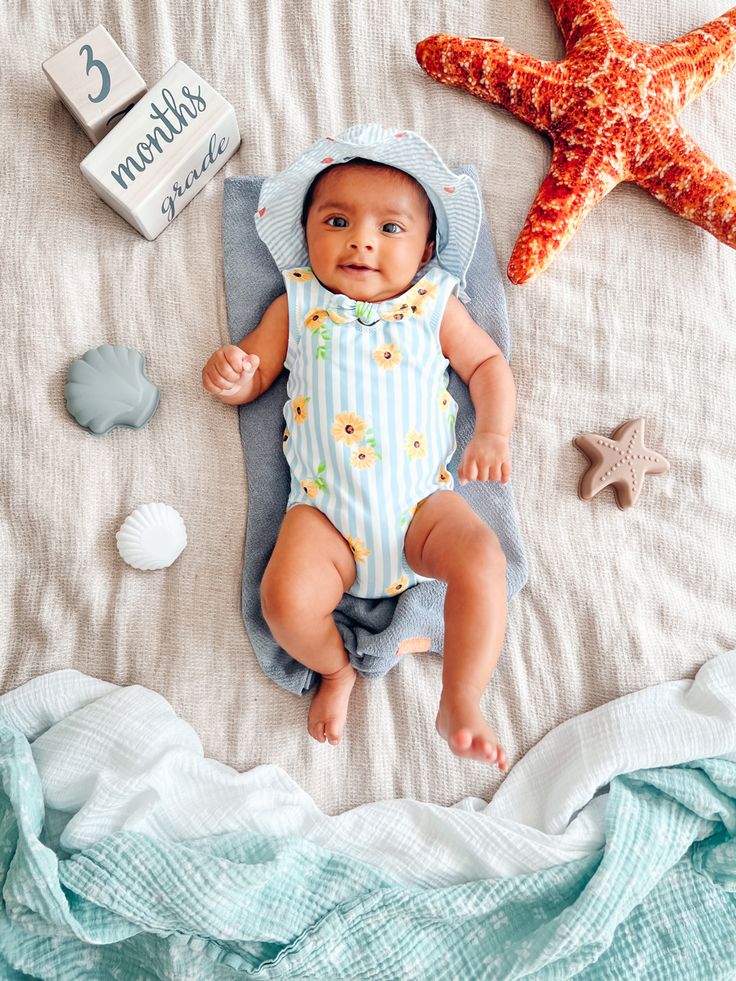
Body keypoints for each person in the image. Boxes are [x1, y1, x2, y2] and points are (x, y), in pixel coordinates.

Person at [202, 125, 515, 769]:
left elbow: (486, 364)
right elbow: (256, 373)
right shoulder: (297, 301)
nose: (362, 240)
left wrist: (493, 433)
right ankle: (335, 667)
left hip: (422, 510)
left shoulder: (433, 304)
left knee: (485, 560)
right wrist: (233, 374)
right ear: (308, 232)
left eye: (390, 228)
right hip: (323, 516)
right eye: (338, 220)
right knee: (283, 601)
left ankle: (462, 696)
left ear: (427, 249)